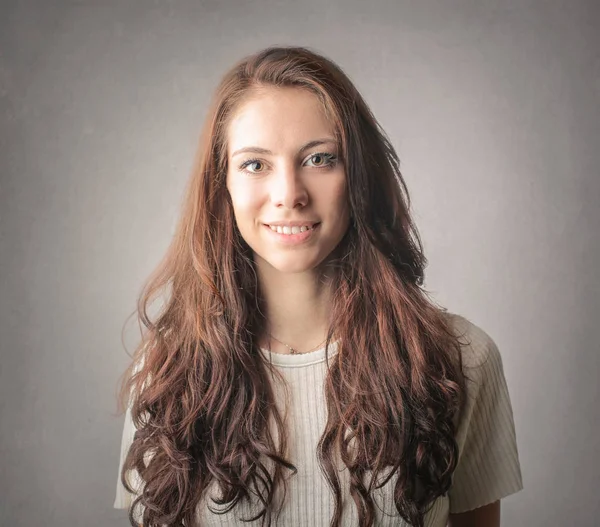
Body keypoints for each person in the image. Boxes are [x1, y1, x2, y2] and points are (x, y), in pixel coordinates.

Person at [113, 46, 523, 527]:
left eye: (320, 158)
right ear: (220, 184)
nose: (289, 193)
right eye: (254, 164)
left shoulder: (461, 360)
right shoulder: (166, 372)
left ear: (359, 175)